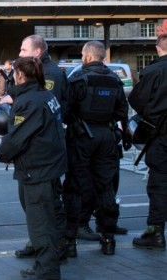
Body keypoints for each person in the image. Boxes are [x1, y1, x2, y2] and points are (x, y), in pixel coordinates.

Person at [0, 56, 66, 280]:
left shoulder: (30, 103)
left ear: (20, 75)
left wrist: (3, 153)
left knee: (40, 224)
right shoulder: (44, 95)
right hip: (48, 167)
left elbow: (17, 138)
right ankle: (44, 265)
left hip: (36, 170)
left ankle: (47, 271)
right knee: (47, 220)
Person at [63, 41, 128, 256]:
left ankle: (70, 241)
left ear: (88, 57)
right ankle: (108, 239)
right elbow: (122, 112)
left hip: (81, 137)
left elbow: (65, 110)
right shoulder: (115, 80)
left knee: (75, 188)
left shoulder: (78, 78)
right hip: (107, 137)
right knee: (106, 186)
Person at [13, 34, 69, 260]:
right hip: (38, 153)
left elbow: (41, 109)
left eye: (23, 50)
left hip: (43, 154)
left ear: (37, 52)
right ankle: (41, 241)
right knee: (34, 204)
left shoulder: (50, 74)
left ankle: (56, 246)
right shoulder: (41, 72)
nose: (20, 54)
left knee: (48, 204)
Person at [129, 33, 167, 250]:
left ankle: (156, 231)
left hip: (160, 135)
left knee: (159, 183)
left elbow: (136, 99)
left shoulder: (153, 71)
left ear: (158, 49)